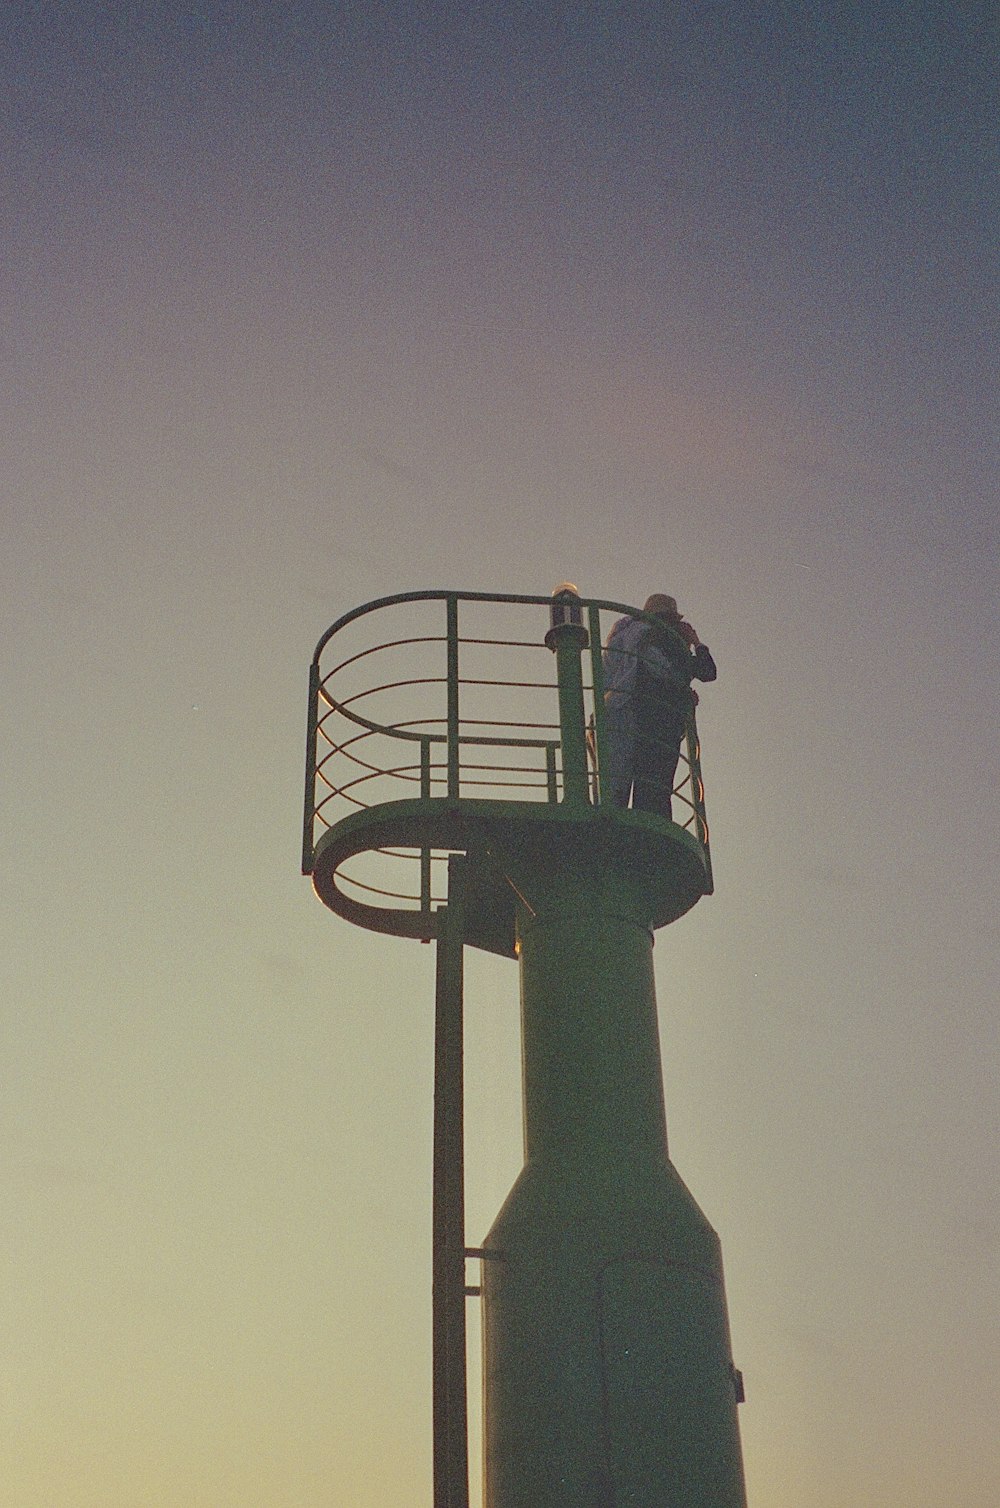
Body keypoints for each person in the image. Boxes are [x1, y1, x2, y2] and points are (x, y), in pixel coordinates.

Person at [602, 593, 717, 818]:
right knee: (654, 794)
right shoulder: (664, 641)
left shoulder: (627, 638)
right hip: (659, 725)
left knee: (620, 788)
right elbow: (707, 671)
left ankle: (617, 825)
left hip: (623, 718)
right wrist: (695, 641)